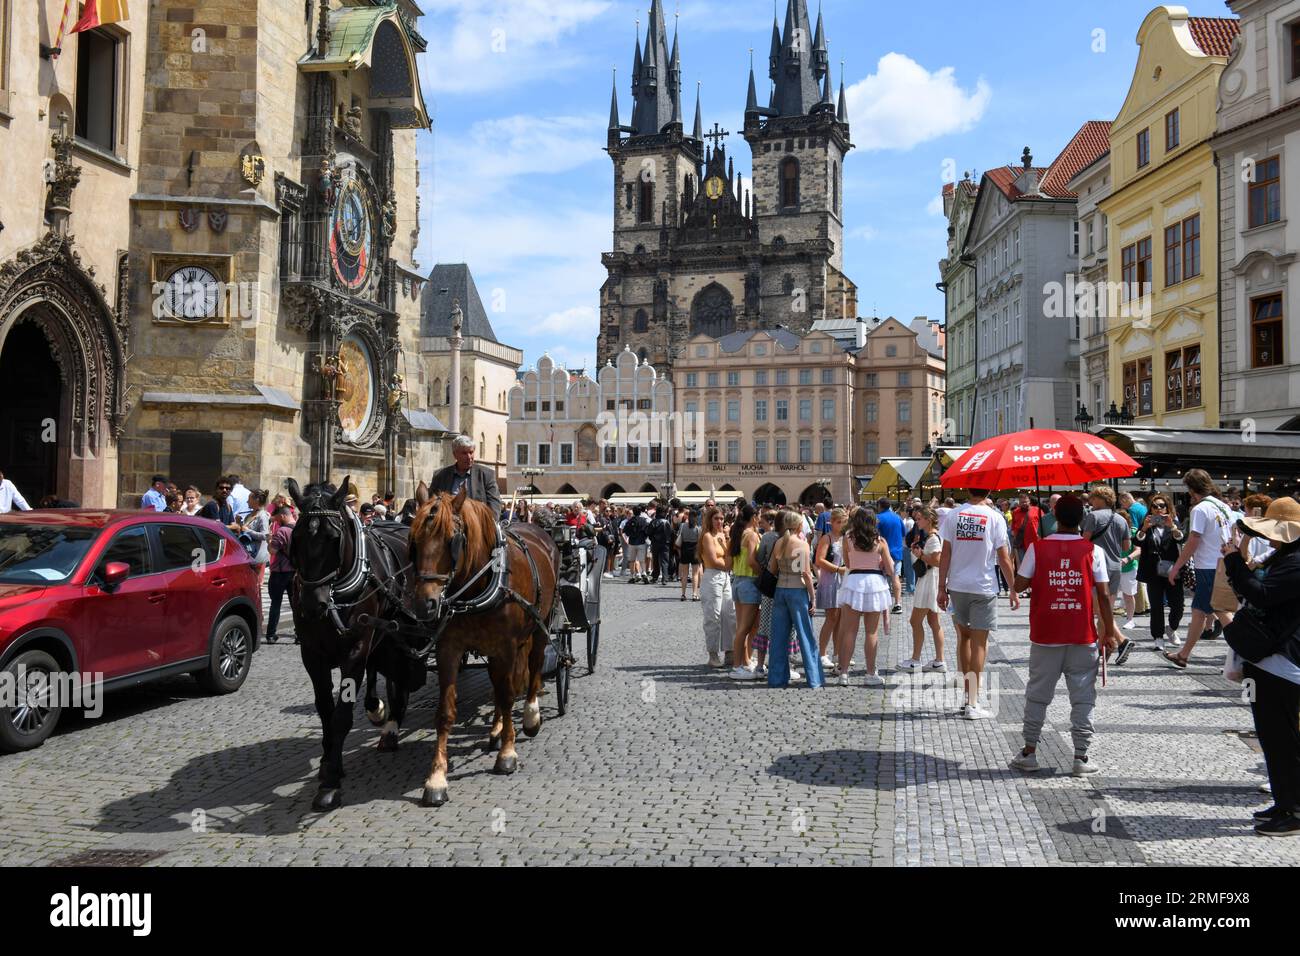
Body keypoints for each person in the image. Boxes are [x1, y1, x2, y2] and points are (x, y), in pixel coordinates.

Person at [1009, 494, 1118, 777]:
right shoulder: (1093, 551)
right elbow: (1104, 596)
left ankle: (1028, 752)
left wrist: (1032, 564)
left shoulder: (1037, 548)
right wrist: (1108, 631)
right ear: (1082, 519)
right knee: (1083, 697)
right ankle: (1081, 756)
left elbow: (1020, 585)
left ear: (1055, 517)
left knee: (1037, 695)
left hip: (1046, 633)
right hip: (1082, 634)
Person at [1219, 497, 1300, 835]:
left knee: (1282, 739)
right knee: (1273, 736)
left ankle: (1294, 810)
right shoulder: (1285, 556)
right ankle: (1285, 802)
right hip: (1271, 661)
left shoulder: (1295, 562)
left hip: (1282, 662)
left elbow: (1262, 594)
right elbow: (1250, 590)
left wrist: (1235, 559)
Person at [938, 488, 1019, 718]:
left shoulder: (954, 515)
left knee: (964, 638)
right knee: (980, 644)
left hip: (958, 585)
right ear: (989, 491)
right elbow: (1004, 558)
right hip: (983, 587)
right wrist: (1013, 589)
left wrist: (940, 588)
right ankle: (973, 703)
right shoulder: (995, 517)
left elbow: (946, 554)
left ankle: (966, 697)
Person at [1165, 469, 1235, 669]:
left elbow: (1194, 539)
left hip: (1207, 566)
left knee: (1219, 610)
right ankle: (1183, 655)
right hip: (1224, 563)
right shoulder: (1223, 506)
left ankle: (1244, 652)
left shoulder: (1200, 509)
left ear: (1192, 489)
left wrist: (1177, 566)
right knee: (1200, 610)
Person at [835, 507, 899, 687]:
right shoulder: (880, 541)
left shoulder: (847, 538)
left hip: (854, 581)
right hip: (874, 583)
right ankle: (870, 673)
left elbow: (847, 564)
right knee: (871, 632)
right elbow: (890, 568)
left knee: (849, 631)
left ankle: (844, 673)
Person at [765, 510, 825, 689]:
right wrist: (813, 598)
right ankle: (814, 678)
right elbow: (806, 574)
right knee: (806, 635)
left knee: (778, 638)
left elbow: (772, 569)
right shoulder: (802, 544)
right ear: (799, 525)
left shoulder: (778, 543)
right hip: (797, 591)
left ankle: (776, 679)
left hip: (780, 590)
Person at [1080, 484, 1133, 665]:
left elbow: (1084, 543)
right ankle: (1103, 649)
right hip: (1116, 567)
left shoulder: (1093, 516)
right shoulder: (1120, 519)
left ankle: (1121, 640)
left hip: (1096, 567)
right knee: (1106, 609)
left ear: (1100, 499)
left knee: (1100, 611)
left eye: (1093, 498)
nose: (1091, 502)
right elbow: (1126, 548)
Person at [1135, 492, 1185, 650]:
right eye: (1154, 506)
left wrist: (1172, 527)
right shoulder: (1147, 523)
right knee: (1156, 606)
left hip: (1172, 569)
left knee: (1178, 605)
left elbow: (1181, 538)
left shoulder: (1173, 522)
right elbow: (1137, 541)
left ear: (1167, 507)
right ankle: (1158, 637)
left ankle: (1172, 629)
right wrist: (1144, 528)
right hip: (1152, 570)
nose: (1158, 509)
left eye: (1161, 506)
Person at [903, 507, 946, 673]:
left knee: (915, 621)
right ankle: (939, 661)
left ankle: (916, 659)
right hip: (929, 580)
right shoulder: (929, 536)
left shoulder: (933, 538)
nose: (917, 521)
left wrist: (920, 555)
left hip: (930, 581)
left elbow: (937, 561)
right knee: (934, 622)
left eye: (920, 518)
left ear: (928, 519)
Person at [429, 434, 503, 518]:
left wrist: (490, 523)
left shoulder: (486, 475)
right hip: (449, 524)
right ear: (455, 455)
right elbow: (431, 502)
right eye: (464, 453)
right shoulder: (440, 476)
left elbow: (495, 504)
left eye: (471, 452)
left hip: (478, 524)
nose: (469, 457)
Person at [728, 505, 762, 681]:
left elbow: (730, 561)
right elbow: (751, 561)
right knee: (744, 629)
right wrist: (762, 572)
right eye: (758, 515)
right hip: (749, 582)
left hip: (737, 581)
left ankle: (744, 661)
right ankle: (736, 666)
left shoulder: (737, 533)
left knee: (743, 627)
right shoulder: (752, 535)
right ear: (754, 517)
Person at [699, 507, 736, 669]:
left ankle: (729, 651)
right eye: (716, 519)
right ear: (710, 520)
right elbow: (714, 560)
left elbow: (730, 555)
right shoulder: (707, 537)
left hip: (726, 577)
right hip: (712, 576)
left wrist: (727, 538)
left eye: (721, 519)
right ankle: (713, 654)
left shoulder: (723, 536)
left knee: (729, 615)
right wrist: (728, 564)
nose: (719, 522)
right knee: (713, 615)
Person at [814, 508, 847, 670]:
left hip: (843, 581)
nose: (841, 525)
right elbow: (819, 560)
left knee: (840, 619)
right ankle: (822, 653)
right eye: (839, 522)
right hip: (830, 580)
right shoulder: (827, 538)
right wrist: (837, 569)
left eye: (844, 522)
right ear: (832, 522)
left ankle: (838, 653)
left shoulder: (845, 538)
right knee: (831, 618)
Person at [266, 505, 297, 644]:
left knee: (276, 603)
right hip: (295, 572)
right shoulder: (300, 529)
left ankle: (271, 634)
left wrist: (269, 541)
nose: (277, 521)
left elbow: (272, 551)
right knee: (295, 604)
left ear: (283, 516)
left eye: (277, 518)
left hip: (279, 572)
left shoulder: (281, 531)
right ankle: (299, 635)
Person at [242, 490, 271, 624]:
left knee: (255, 588)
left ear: (256, 500)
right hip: (247, 555)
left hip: (256, 556)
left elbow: (265, 535)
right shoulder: (250, 514)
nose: (247, 502)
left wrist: (248, 531)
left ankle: (258, 616)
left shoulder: (262, 516)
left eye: (249, 499)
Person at [876, 498, 906, 608]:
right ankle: (898, 603)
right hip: (897, 552)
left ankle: (884, 604)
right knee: (895, 577)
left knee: (883, 579)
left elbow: (875, 535)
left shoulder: (878, 518)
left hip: (883, 553)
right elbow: (903, 534)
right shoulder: (897, 517)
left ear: (880, 506)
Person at [1010, 492, 1042, 581]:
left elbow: (1043, 525)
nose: (1024, 504)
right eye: (1022, 502)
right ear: (1019, 503)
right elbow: (1013, 526)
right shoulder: (1015, 512)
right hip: (1021, 544)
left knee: (1035, 565)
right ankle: (1026, 587)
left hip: (1035, 543)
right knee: (1023, 566)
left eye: (1025, 502)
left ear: (1029, 501)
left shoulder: (1037, 510)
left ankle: (1035, 583)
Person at [677, 509, 702, 601]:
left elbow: (680, 537)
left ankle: (683, 594)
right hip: (694, 550)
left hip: (685, 550)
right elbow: (700, 542)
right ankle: (694, 594)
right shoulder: (698, 528)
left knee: (684, 574)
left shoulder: (683, 526)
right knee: (695, 574)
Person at [623, 505, 651, 584]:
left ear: (634, 512)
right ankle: (644, 573)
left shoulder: (630, 520)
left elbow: (625, 531)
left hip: (632, 542)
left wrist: (631, 535)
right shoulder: (644, 520)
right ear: (641, 512)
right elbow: (647, 531)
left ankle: (633, 576)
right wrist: (644, 536)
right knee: (642, 560)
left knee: (632, 560)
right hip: (641, 542)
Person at [649, 506, 673, 586]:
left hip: (655, 543)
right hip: (665, 544)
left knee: (655, 560)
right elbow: (670, 533)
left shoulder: (653, 521)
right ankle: (664, 578)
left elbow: (649, 532)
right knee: (664, 561)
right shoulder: (666, 522)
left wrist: (653, 539)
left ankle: (655, 577)